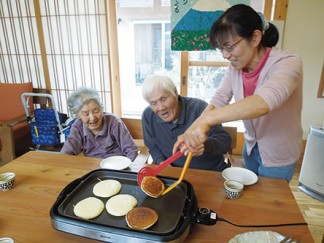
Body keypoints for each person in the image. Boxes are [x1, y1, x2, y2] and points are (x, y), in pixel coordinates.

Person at [173, 4, 303, 182]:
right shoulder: (236, 67)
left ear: (255, 37)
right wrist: (193, 131)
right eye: (221, 49)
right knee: (251, 199)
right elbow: (219, 99)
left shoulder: (288, 63)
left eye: (229, 46)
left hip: (279, 154)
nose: (225, 55)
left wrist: (207, 120)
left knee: (268, 205)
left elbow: (262, 103)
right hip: (250, 148)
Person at [142, 75, 231, 171]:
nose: (160, 107)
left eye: (163, 99)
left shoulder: (199, 108)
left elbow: (225, 142)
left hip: (209, 172)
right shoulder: (148, 116)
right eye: (153, 103)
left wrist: (205, 146)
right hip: (174, 173)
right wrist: (161, 162)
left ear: (175, 93)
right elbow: (152, 146)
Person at [61, 87, 138, 161]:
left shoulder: (114, 122)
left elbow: (131, 150)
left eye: (96, 111)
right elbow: (67, 153)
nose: (92, 117)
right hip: (92, 168)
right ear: (78, 115)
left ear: (102, 109)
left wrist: (128, 169)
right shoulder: (78, 127)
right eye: (86, 114)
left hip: (117, 167)